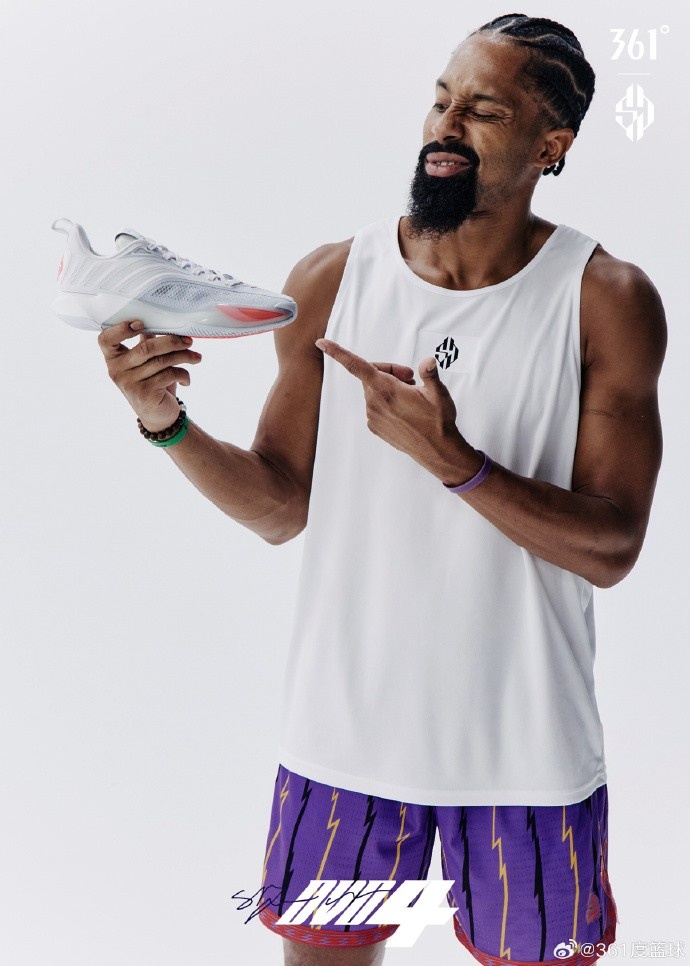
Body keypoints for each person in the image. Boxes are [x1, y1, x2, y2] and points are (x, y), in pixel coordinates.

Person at [97, 13, 666, 966]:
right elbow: (282, 505)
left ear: (551, 144)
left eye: (484, 110)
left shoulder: (605, 298)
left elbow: (612, 548)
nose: (446, 126)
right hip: (344, 749)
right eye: (441, 101)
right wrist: (167, 422)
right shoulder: (332, 280)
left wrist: (458, 463)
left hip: (527, 758)